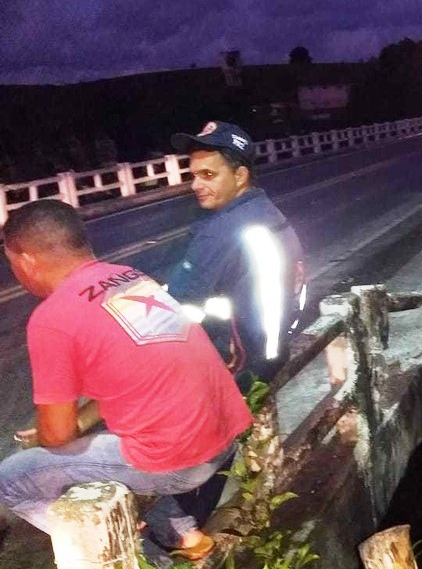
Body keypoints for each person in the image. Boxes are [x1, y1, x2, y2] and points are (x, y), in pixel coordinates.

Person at [0, 200, 252, 562]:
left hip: (183, 462)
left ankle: (128, 551)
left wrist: (43, 437)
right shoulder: (131, 277)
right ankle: (185, 534)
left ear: (26, 260)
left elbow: (56, 435)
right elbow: (132, 381)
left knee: (11, 479)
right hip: (226, 437)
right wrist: (81, 419)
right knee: (103, 438)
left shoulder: (51, 318)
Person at [168, 120, 306, 392]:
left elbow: (174, 305)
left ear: (240, 176)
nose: (195, 185)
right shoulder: (266, 211)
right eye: (193, 175)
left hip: (239, 370)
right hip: (274, 349)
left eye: (208, 175)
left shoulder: (222, 231)